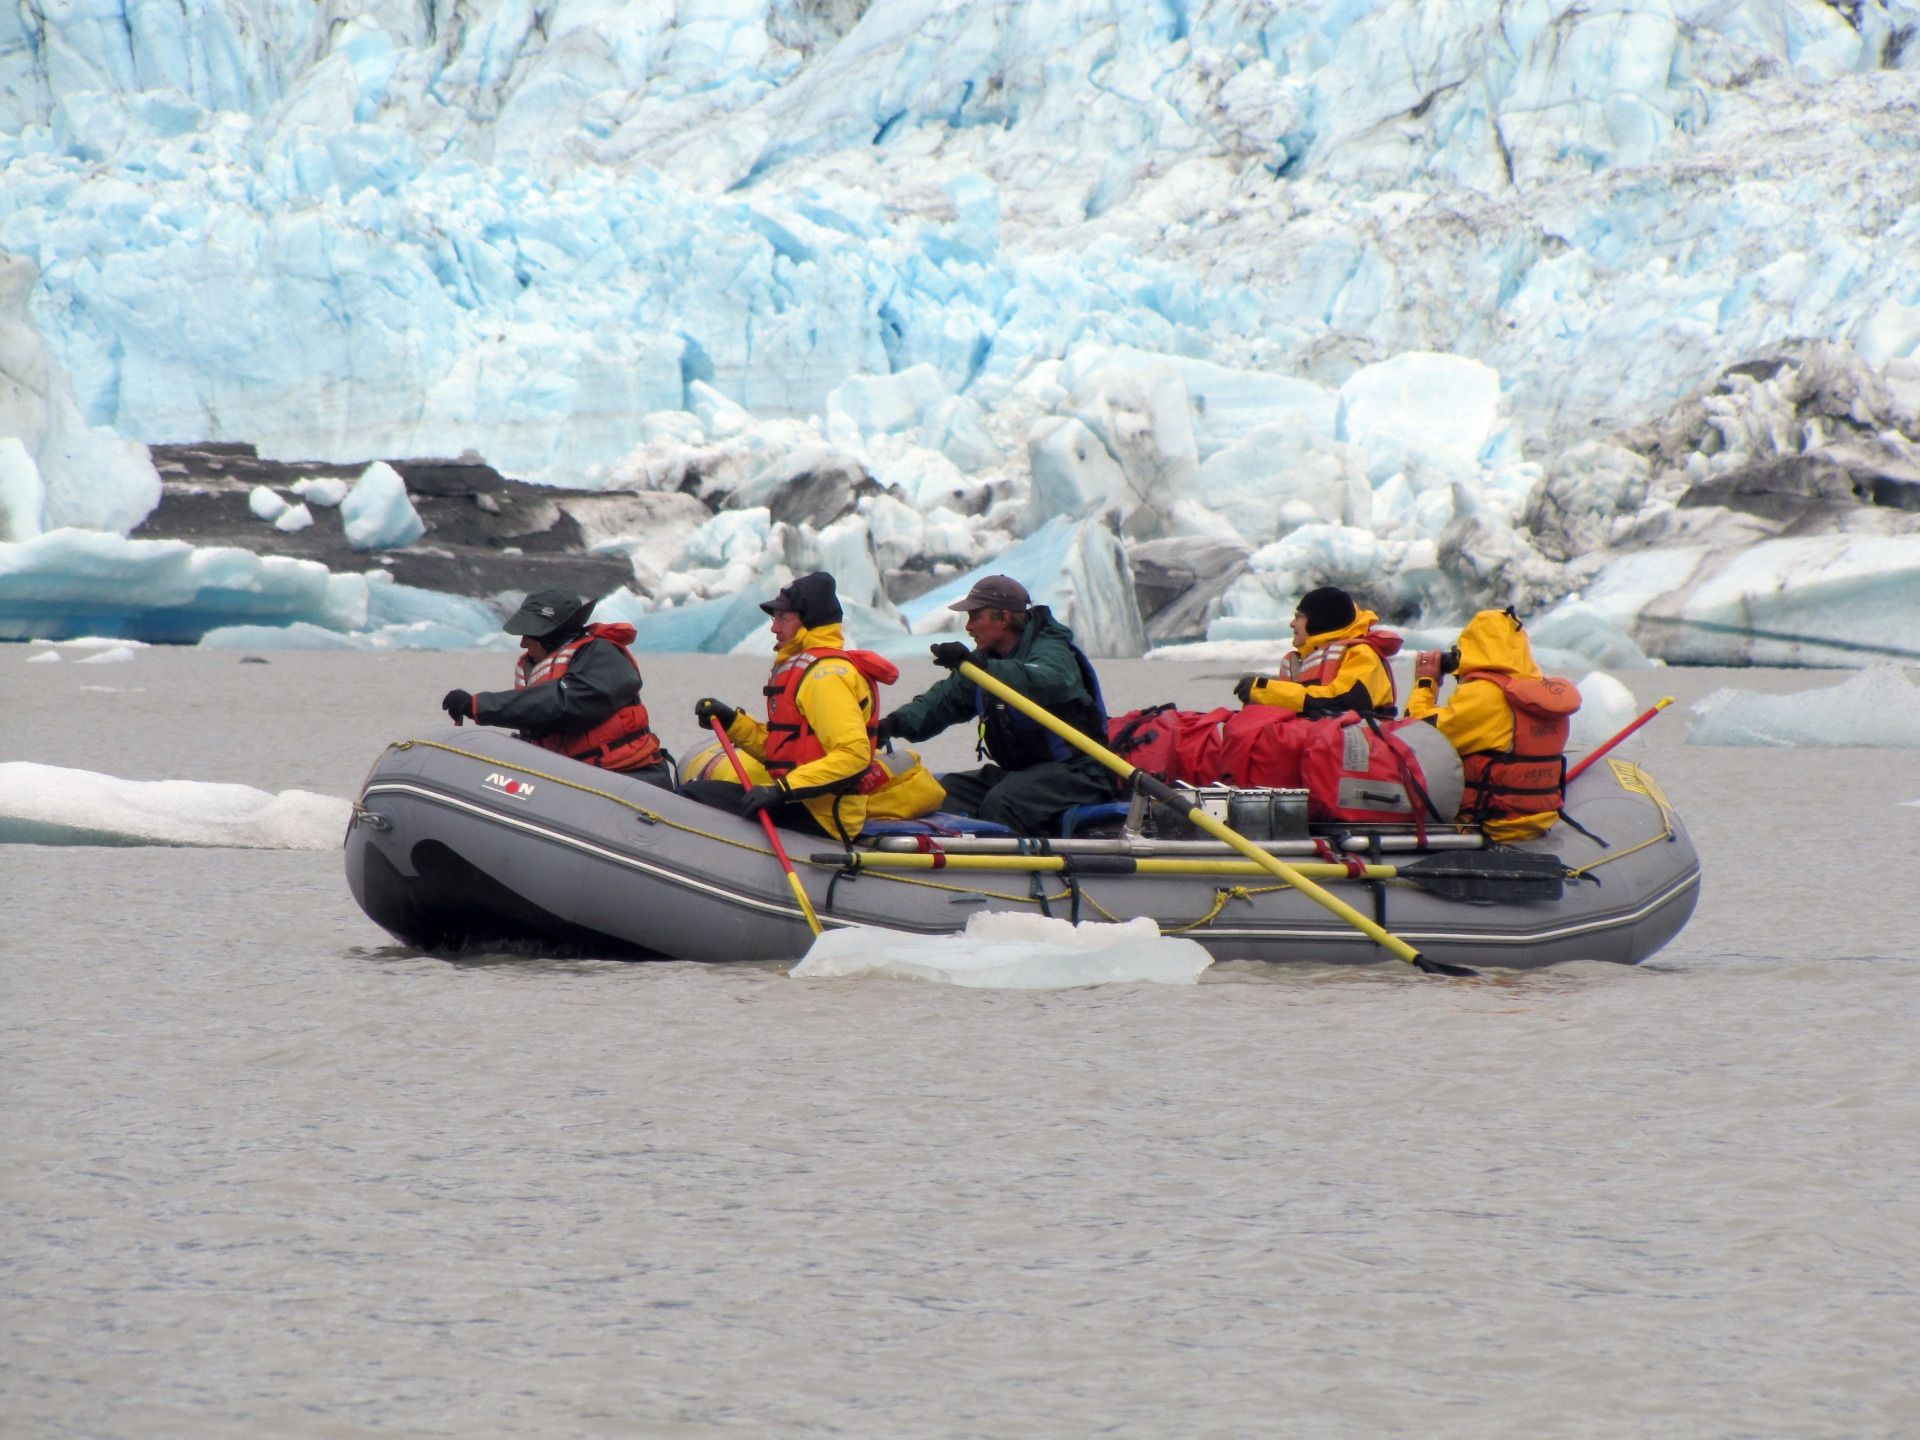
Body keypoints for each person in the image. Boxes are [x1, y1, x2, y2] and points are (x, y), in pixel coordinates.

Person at [877, 574, 1115, 835]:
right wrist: (892, 724)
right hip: (1022, 774)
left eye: (975, 617)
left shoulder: (1052, 650)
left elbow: (1047, 679)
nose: (968, 627)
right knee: (943, 792)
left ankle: (1013, 872)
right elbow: (942, 701)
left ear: (1003, 618)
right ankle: (947, 864)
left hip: (1078, 775)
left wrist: (982, 667)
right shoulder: (987, 661)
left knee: (1004, 801)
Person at [682, 571, 898, 842]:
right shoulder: (810, 667)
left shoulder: (826, 677)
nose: (774, 627)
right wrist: (732, 723)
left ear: (807, 620)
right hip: (803, 802)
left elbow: (853, 755)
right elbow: (785, 750)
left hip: (822, 817)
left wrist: (781, 790)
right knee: (702, 791)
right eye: (775, 618)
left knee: (692, 797)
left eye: (783, 618)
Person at [440, 587, 673, 788]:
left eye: (529, 634)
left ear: (552, 634)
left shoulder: (601, 654)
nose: (523, 643)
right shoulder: (542, 665)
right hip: (578, 779)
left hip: (629, 779)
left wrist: (479, 706)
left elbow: (566, 703)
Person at [1407, 607, 1581, 843]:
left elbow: (1419, 732)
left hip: (1488, 822)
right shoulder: (1542, 694)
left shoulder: (1484, 695)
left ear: (1473, 646)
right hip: (1538, 819)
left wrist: (1426, 684)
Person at [1234, 585, 1401, 717]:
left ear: (1318, 621)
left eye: (1299, 616)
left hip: (1357, 749)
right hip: (1319, 746)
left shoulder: (1361, 654)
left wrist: (1266, 690)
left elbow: (1345, 701)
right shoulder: (1301, 661)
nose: (1292, 623)